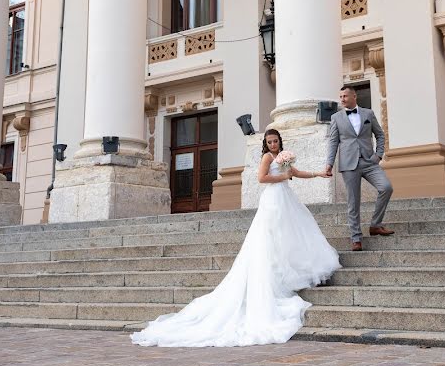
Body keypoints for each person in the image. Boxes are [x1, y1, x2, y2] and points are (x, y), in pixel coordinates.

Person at [131, 129, 339, 347]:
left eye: (275, 141)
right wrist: (283, 177)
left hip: (286, 197)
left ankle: (290, 268)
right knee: (273, 235)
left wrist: (317, 174)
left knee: (292, 232)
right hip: (273, 199)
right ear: (266, 144)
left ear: (280, 141)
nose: (273, 145)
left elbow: (295, 172)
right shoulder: (267, 157)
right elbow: (262, 178)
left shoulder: (283, 156)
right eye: (269, 142)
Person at [324, 85, 394, 252]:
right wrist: (329, 163)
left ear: (354, 96)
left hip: (370, 162)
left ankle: (375, 225)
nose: (342, 99)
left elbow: (380, 134)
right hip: (349, 164)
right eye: (340, 96)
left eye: (345, 96)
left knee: (386, 187)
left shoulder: (368, 114)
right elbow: (333, 142)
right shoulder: (336, 117)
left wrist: (378, 154)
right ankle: (356, 238)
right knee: (353, 202)